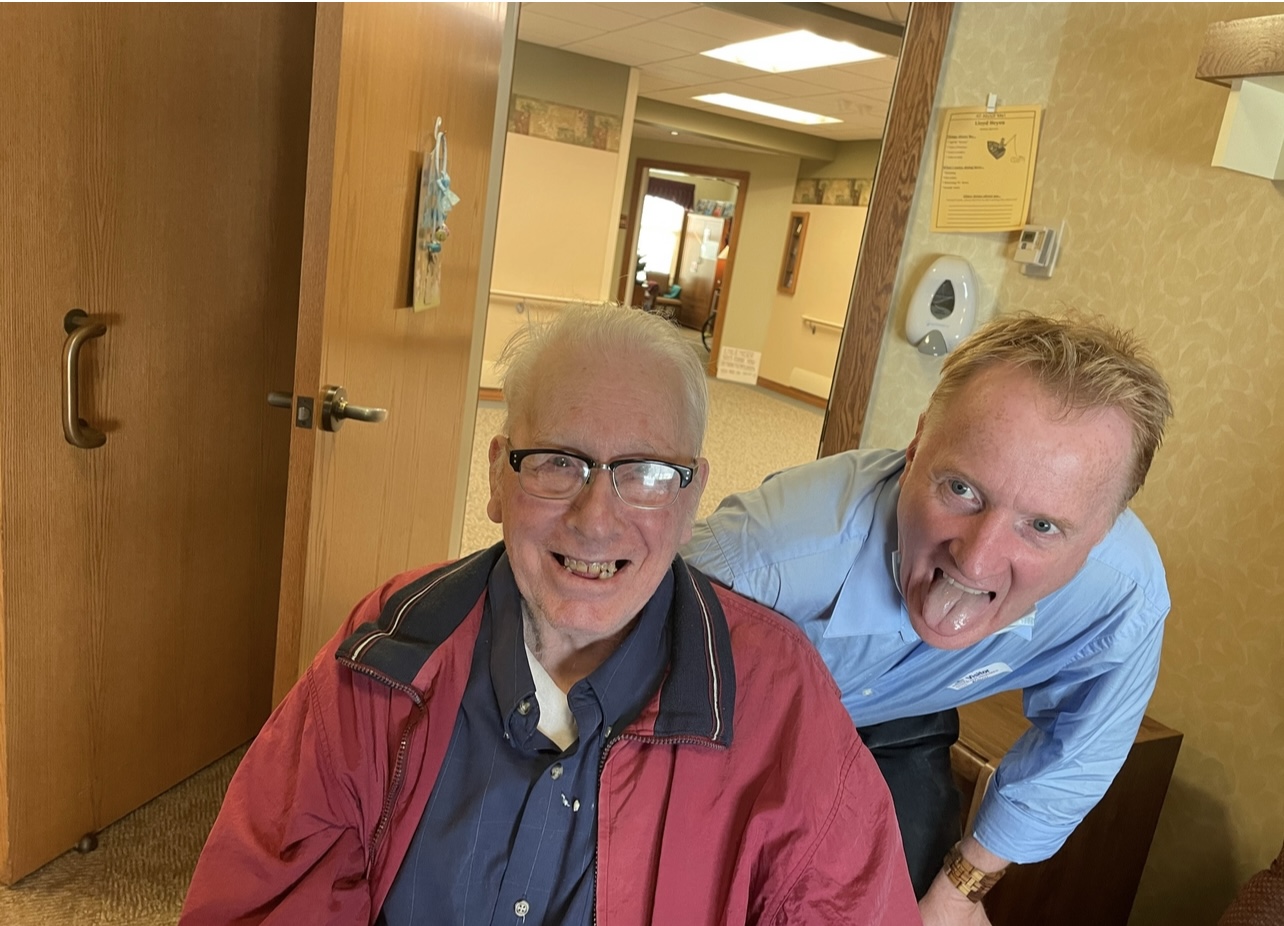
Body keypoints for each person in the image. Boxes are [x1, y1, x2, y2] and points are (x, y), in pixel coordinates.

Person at [179, 303, 920, 925]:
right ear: (497, 477)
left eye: (646, 473)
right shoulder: (388, 650)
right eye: (559, 462)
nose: (596, 519)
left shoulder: (784, 700)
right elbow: (270, 893)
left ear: (692, 496)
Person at [682, 311, 1174, 925]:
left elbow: (1080, 751)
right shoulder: (759, 562)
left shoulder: (1122, 595)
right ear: (916, 447)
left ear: (1102, 533)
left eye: (1042, 526)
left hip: (903, 714)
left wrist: (959, 893)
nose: (976, 560)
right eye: (962, 489)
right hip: (739, 722)